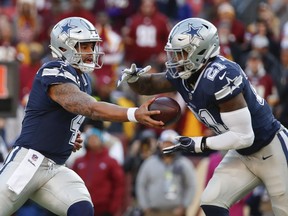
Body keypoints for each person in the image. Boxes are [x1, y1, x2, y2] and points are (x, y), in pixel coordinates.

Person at [118, 17, 288, 215]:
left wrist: (198, 144)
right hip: (243, 154)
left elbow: (244, 136)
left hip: (271, 148)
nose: (175, 60)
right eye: (173, 54)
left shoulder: (221, 76)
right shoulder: (186, 72)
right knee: (211, 202)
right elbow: (148, 85)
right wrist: (133, 79)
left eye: (181, 53)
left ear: (201, 51)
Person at [0, 16, 163, 216]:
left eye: (92, 46)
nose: (91, 53)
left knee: (82, 208)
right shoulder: (54, 70)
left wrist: (68, 136)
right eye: (84, 47)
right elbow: (89, 107)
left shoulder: (83, 78)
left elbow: (62, 116)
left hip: (54, 167)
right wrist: (133, 113)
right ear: (63, 47)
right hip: (29, 162)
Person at [135, 129, 196, 216]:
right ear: (160, 144)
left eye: (170, 143)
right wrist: (145, 206)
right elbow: (141, 185)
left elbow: (191, 186)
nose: (167, 146)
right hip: (153, 212)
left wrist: (184, 206)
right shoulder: (149, 163)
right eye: (165, 143)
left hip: (176, 212)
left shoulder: (184, 164)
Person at [72, 124, 125, 216]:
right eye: (90, 138)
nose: (93, 140)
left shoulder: (110, 161)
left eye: (95, 137)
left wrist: (112, 209)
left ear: (101, 140)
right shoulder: (79, 161)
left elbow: (119, 185)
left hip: (102, 209)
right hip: (82, 207)